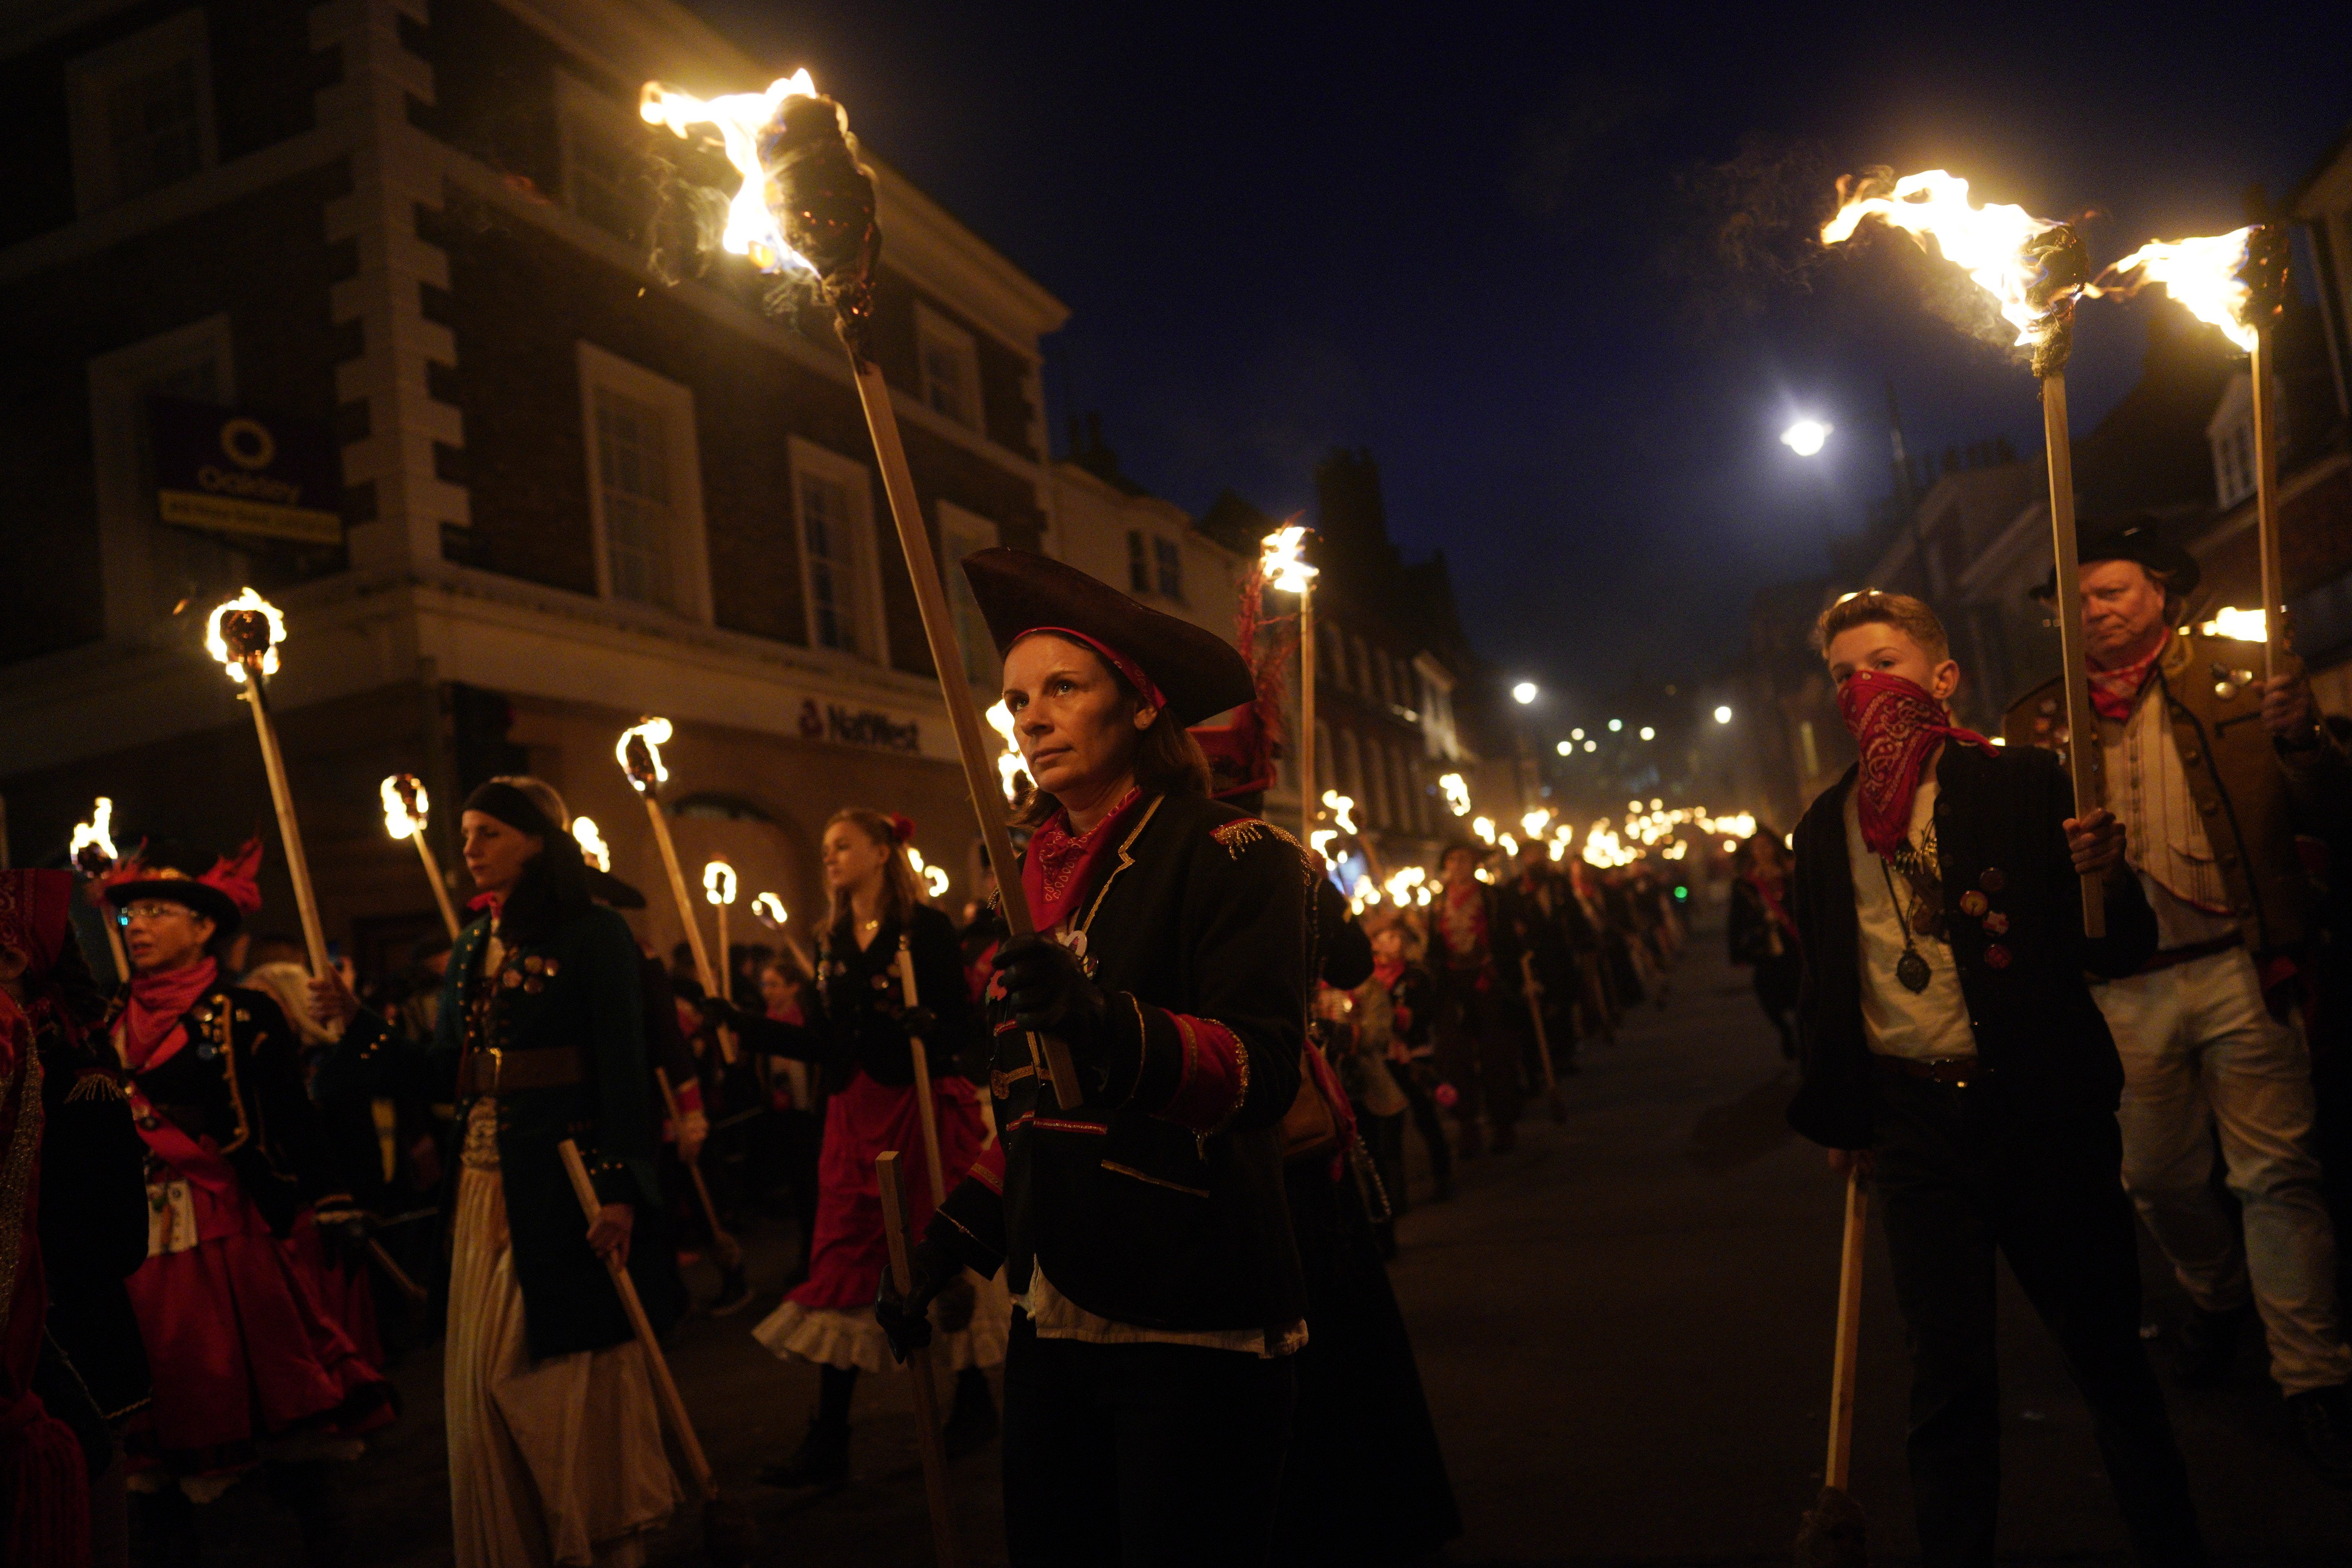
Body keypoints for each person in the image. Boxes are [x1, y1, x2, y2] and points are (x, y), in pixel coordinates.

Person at [873, 547, 1309, 1566]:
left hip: (1189, 1302)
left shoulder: (1232, 855)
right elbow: (1029, 1114)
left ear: (1145, 704)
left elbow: (1258, 1073)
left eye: (1063, 688)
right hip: (1053, 1303)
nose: (1029, 717)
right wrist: (946, 1245)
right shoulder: (1027, 877)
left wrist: (1102, 1020)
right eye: (1018, 697)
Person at [1788, 590, 2204, 1568]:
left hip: (2036, 1108)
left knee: (2105, 1353)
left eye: (1881, 662)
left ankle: (2172, 1540)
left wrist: (2103, 874)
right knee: (1947, 1376)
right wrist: (1844, 1107)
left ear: (1941, 677)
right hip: (1914, 1121)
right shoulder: (1823, 827)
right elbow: (1828, 984)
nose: (1862, 687)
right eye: (1844, 674)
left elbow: (2115, 947)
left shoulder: (2022, 783)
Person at [2008, 517, 2352, 1477]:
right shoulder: (2038, 717)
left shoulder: (2251, 676)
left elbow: (2330, 810)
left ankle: (2313, 1374)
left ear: (2162, 589)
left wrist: (2301, 739)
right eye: (2075, 602)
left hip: (2243, 965)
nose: (2094, 613)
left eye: (2111, 591)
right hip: (2127, 988)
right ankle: (2215, 1289)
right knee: (2156, 1175)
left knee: (2275, 1176)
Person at [311, 777, 683, 1568]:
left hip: (564, 1184)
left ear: (536, 842)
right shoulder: (475, 946)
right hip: (482, 1186)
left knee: (562, 1377)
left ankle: (598, 1538)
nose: (470, 849)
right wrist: (359, 1023)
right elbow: (446, 1068)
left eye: (488, 833)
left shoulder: (595, 934)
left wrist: (620, 1189)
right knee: (484, 1387)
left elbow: (624, 1066)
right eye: (467, 832)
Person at [99, 843, 392, 1563]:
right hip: (139, 1240)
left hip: (236, 1231)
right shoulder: (102, 1019)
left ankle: (323, 1536)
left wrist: (333, 1200)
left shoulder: (245, 1011)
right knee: (159, 1404)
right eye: (130, 913)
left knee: (277, 1391)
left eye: (156, 913)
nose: (136, 926)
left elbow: (295, 1118)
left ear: (204, 930)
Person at [730, 807, 1002, 1489]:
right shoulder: (829, 939)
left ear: (883, 852)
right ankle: (830, 1435)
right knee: (847, 1254)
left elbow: (964, 1029)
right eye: (825, 847)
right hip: (854, 1114)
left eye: (842, 845)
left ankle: (973, 1400)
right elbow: (825, 1041)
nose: (829, 857)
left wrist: (930, 1024)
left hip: (918, 1106)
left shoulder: (927, 929)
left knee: (935, 1243)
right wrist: (745, 1027)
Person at [1426, 842, 1529, 1154]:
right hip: (1453, 985)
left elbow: (1511, 940)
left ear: (1475, 863)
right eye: (1453, 859)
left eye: (1465, 859)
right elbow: (1433, 948)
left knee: (1496, 1053)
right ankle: (1467, 1124)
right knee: (1455, 1058)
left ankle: (1503, 1124)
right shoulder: (1436, 903)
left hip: (1488, 982)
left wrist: (1504, 964)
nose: (1459, 864)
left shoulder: (1493, 897)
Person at [1367, 909, 1453, 1203]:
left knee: (1426, 1117)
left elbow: (1426, 1010)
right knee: (1389, 1128)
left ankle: (1443, 1176)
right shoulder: (1370, 981)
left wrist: (1406, 1018)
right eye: (1385, 937)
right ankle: (1395, 1194)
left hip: (1414, 1055)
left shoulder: (1416, 975)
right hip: (1385, 1060)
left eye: (1396, 936)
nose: (1393, 943)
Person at [1728, 828, 1803, 1058]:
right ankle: (1783, 1028)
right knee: (1769, 997)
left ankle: (1803, 1040)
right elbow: (1735, 920)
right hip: (1765, 949)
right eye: (1758, 848)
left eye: (1767, 846)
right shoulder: (1745, 885)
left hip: (1793, 946)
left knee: (1800, 995)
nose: (1764, 852)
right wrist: (1737, 953)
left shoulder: (1791, 875)